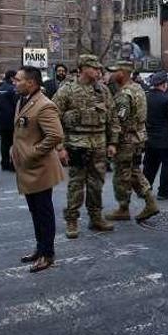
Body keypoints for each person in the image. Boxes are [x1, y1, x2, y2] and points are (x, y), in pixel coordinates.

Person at [51, 54, 117, 239]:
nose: (98, 71)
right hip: (76, 145)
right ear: (83, 68)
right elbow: (52, 119)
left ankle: (96, 217)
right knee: (76, 185)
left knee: (97, 184)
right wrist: (59, 147)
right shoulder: (67, 90)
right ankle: (72, 219)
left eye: (99, 68)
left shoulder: (103, 91)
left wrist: (113, 142)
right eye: (94, 68)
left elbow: (112, 118)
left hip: (99, 145)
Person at [10, 66, 64, 273]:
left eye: (18, 79)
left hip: (39, 168)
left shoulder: (44, 105)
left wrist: (31, 153)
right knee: (35, 211)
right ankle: (40, 248)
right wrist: (13, 147)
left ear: (31, 83)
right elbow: (22, 130)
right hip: (28, 167)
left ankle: (47, 254)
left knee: (43, 212)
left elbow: (55, 136)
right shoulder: (22, 101)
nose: (15, 82)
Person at [104, 61, 160, 222]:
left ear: (122, 73)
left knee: (122, 174)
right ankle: (150, 202)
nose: (111, 74)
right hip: (139, 137)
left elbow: (119, 122)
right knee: (134, 171)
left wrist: (112, 142)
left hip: (126, 140)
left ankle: (124, 207)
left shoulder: (124, 94)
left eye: (114, 71)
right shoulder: (138, 89)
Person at [143, 71, 168, 200]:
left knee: (149, 165)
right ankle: (164, 191)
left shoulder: (145, 97)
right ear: (164, 84)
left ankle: (145, 189)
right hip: (166, 138)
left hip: (149, 137)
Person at [0, 70, 19, 171]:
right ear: (12, 78)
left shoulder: (0, 88)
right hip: (12, 120)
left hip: (2, 119)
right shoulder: (13, 89)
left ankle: (4, 163)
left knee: (4, 143)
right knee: (14, 143)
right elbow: (16, 104)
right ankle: (13, 164)